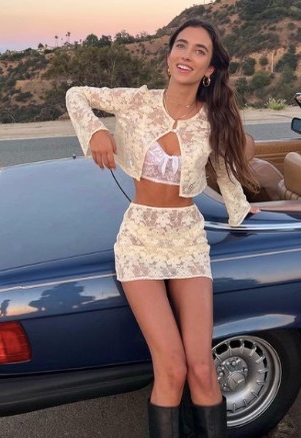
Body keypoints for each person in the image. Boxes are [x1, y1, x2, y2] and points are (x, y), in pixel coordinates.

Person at [66, 18, 259, 438]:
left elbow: (226, 175)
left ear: (209, 69)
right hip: (139, 238)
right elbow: (76, 94)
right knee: (170, 368)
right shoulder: (137, 103)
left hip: (188, 237)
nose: (186, 55)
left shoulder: (213, 119)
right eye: (181, 46)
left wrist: (243, 210)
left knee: (202, 368)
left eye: (199, 51)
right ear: (169, 55)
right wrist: (96, 128)